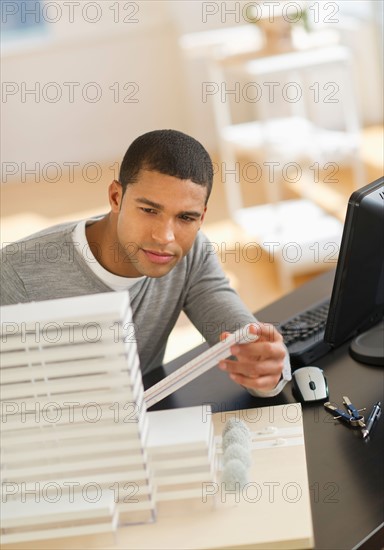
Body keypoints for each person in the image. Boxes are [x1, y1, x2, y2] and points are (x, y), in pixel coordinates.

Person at [1, 129, 291, 396]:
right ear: (116, 197)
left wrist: (268, 368)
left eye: (185, 218)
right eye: (149, 210)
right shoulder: (17, 273)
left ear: (201, 217)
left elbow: (246, 346)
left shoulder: (191, 254)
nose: (165, 237)